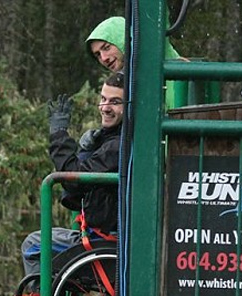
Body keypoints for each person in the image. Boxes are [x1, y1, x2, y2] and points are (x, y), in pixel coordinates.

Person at [20, 71, 124, 278]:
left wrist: (59, 135)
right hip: (104, 237)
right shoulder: (112, 140)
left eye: (115, 102)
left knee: (33, 245)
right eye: (103, 99)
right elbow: (75, 199)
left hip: (104, 242)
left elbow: (74, 182)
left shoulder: (117, 145)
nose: (105, 108)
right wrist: (87, 150)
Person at [86, 16, 186, 109]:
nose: (103, 58)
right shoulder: (130, 80)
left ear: (123, 40)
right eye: (98, 55)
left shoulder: (156, 50)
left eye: (107, 48)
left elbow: (156, 16)